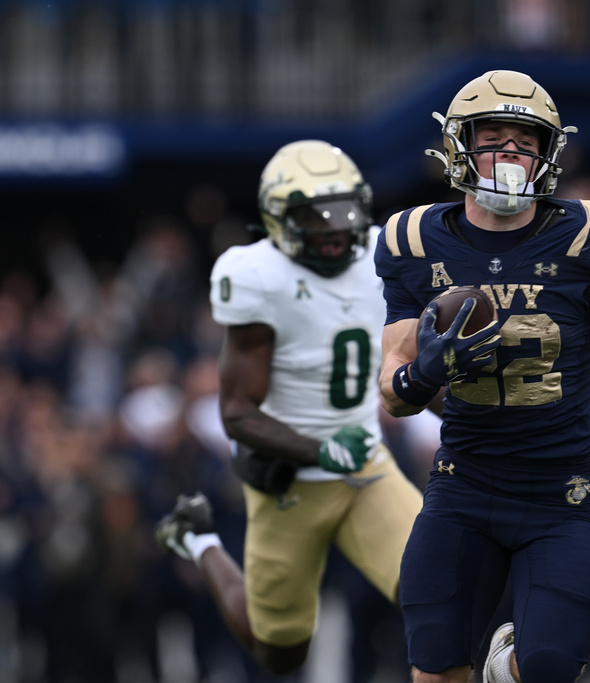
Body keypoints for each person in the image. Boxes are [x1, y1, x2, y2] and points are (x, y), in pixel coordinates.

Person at [374, 69, 590, 683]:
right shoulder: (413, 240)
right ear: (459, 145)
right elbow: (393, 386)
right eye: (494, 136)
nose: (511, 152)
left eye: (526, 139)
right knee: (434, 671)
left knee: (547, 668)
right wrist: (425, 372)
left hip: (559, 492)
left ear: (549, 151)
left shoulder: (588, 237)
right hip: (464, 485)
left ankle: (506, 668)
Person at [154, 140, 423, 676]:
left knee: (437, 592)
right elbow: (236, 412)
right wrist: (320, 448)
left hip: (365, 462)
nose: (333, 229)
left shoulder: (385, 252)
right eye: (314, 216)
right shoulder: (257, 275)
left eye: (343, 212)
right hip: (289, 477)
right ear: (278, 219)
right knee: (280, 651)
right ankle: (200, 540)